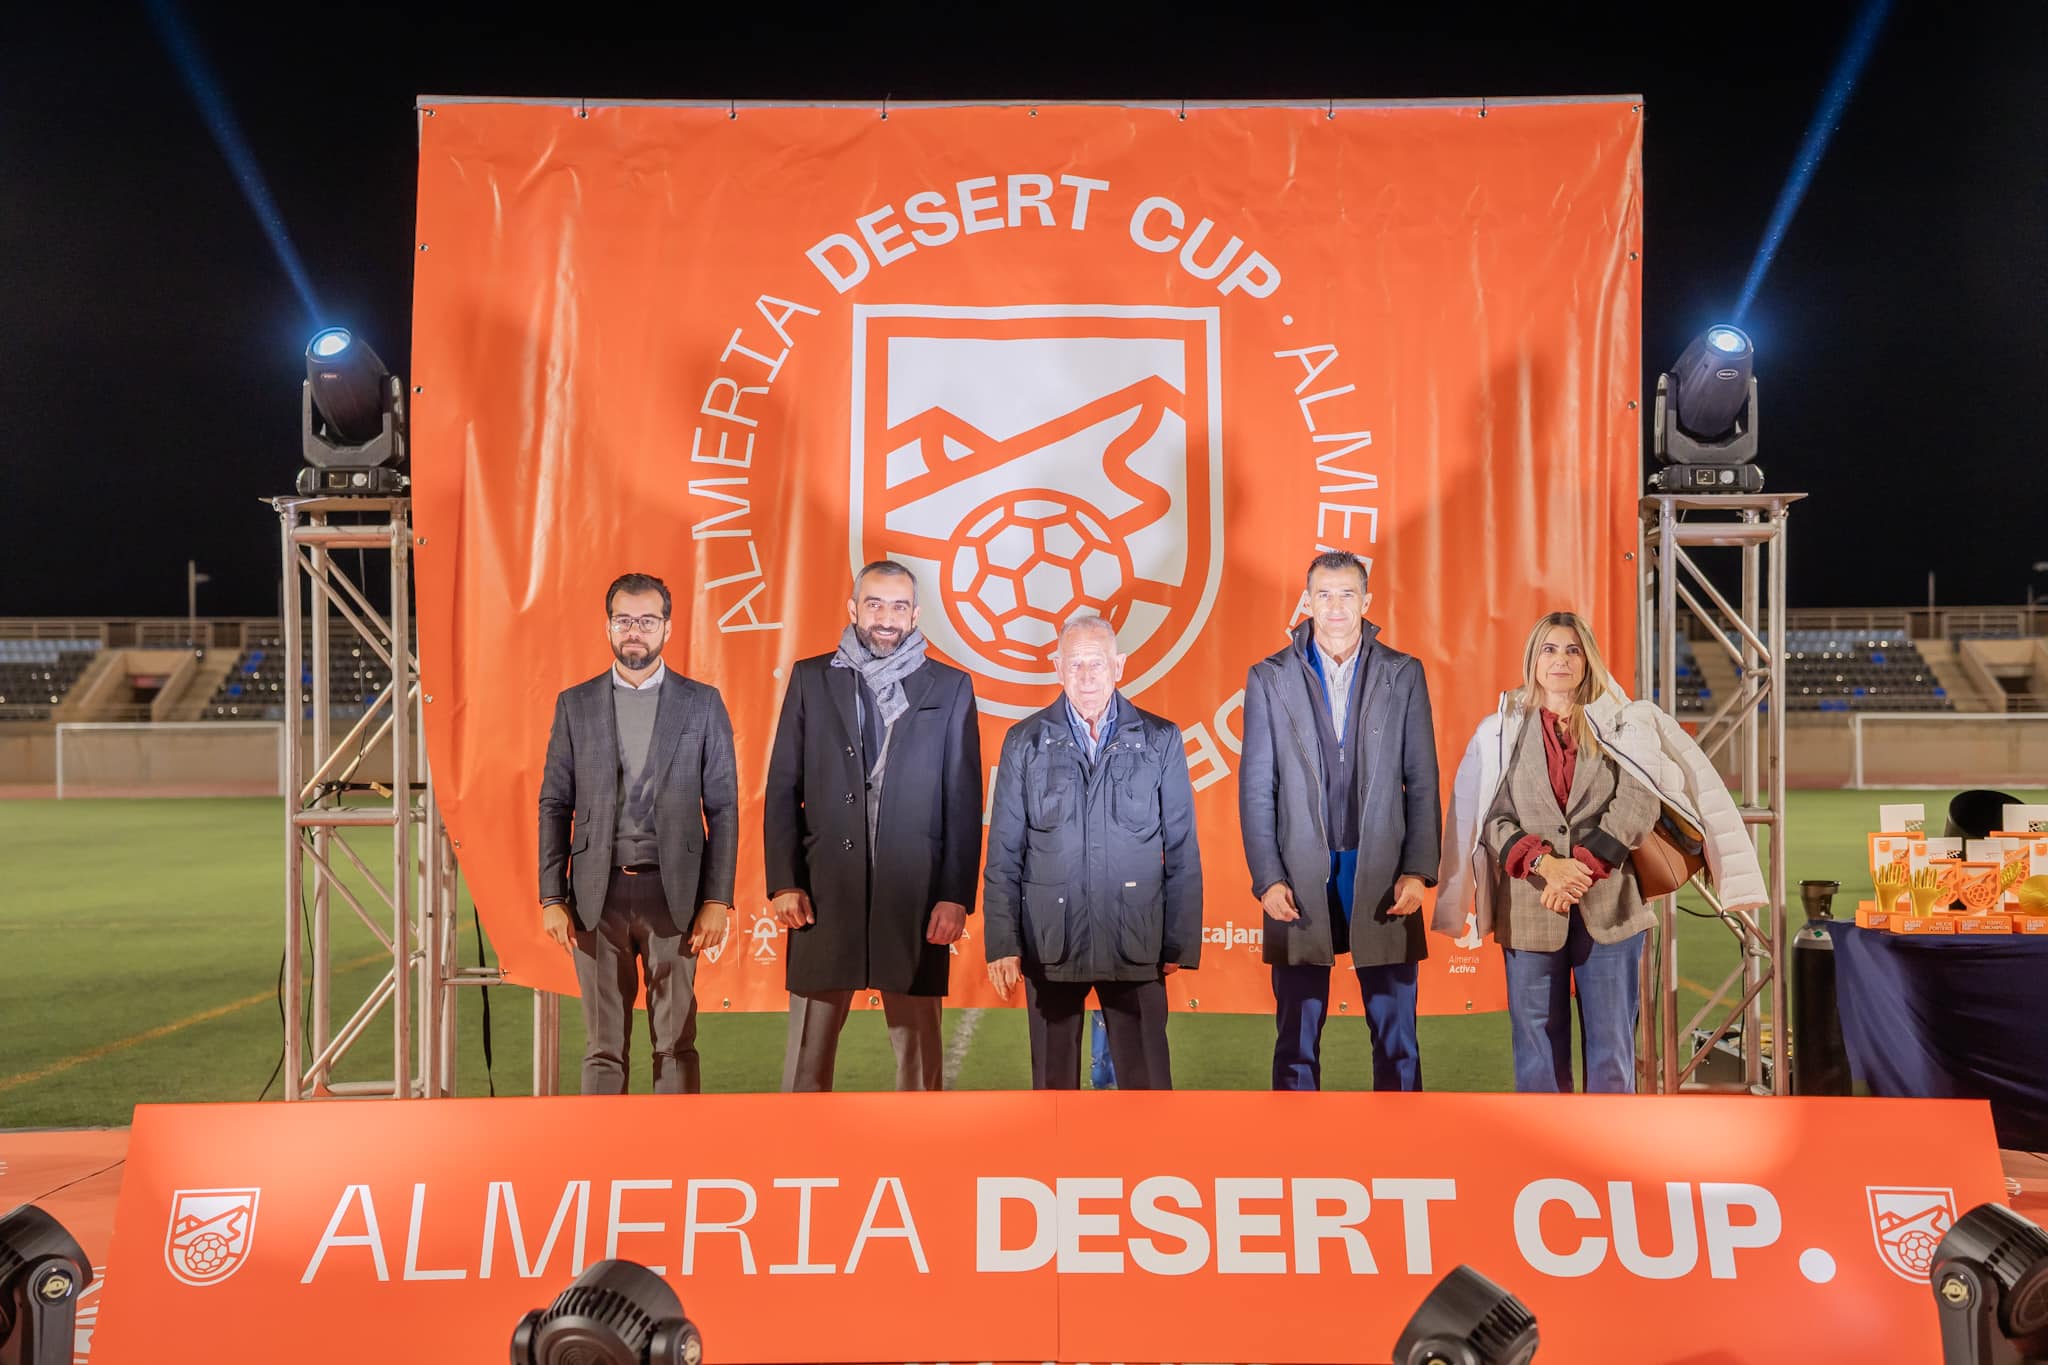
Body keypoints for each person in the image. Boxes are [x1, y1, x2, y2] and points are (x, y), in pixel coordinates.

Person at [1433, 611, 1767, 1092]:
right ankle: (1546, 1154)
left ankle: (1606, 1158)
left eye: (1572, 650)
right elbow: (1494, 816)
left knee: (1611, 1050)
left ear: (1587, 659)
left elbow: (1638, 800)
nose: (1561, 660)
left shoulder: (1622, 723)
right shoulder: (1502, 729)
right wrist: (1546, 866)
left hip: (1611, 908)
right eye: (1549, 649)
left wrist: (1581, 871)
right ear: (1533, 659)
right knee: (1536, 1051)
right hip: (1530, 905)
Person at [763, 560, 982, 1091]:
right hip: (824, 891)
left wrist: (955, 896)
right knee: (806, 1066)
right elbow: (783, 787)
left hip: (915, 896)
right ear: (853, 608)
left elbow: (963, 801)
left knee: (919, 1064)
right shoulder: (812, 678)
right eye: (875, 604)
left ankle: (923, 1158)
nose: (887, 618)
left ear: (916, 614)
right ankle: (803, 1160)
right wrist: (786, 881)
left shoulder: (951, 687)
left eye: (899, 606)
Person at [1239, 551, 1440, 1091]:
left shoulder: (1404, 673)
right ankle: (1296, 1148)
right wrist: (1269, 878)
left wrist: (1418, 871)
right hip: (1300, 873)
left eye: (1346, 594)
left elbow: (1422, 780)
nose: (1334, 606)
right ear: (1306, 602)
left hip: (1382, 869)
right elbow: (1257, 789)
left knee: (1397, 1035)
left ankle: (1403, 1149)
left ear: (1367, 602)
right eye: (1323, 594)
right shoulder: (1268, 677)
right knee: (1296, 1036)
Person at [537, 572, 738, 1094]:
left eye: (647, 621)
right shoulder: (575, 705)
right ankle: (604, 1164)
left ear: (667, 629)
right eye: (624, 620)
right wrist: (550, 896)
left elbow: (723, 806)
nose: (635, 631)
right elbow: (554, 805)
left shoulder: (701, 703)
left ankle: (677, 1156)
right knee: (603, 1048)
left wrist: (718, 899)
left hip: (676, 895)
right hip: (594, 897)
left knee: (675, 1044)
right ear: (608, 627)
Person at [983, 615, 1201, 1090]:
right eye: (1075, 664)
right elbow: (1003, 852)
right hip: (1050, 940)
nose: (1086, 676)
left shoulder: (1160, 739)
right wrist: (1002, 941)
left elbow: (1181, 848)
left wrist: (1178, 940)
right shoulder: (1025, 741)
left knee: (1147, 1090)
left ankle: (1148, 1163)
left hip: (1136, 938)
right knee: (1053, 1091)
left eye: (1096, 663)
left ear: (1118, 666)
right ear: (1058, 667)